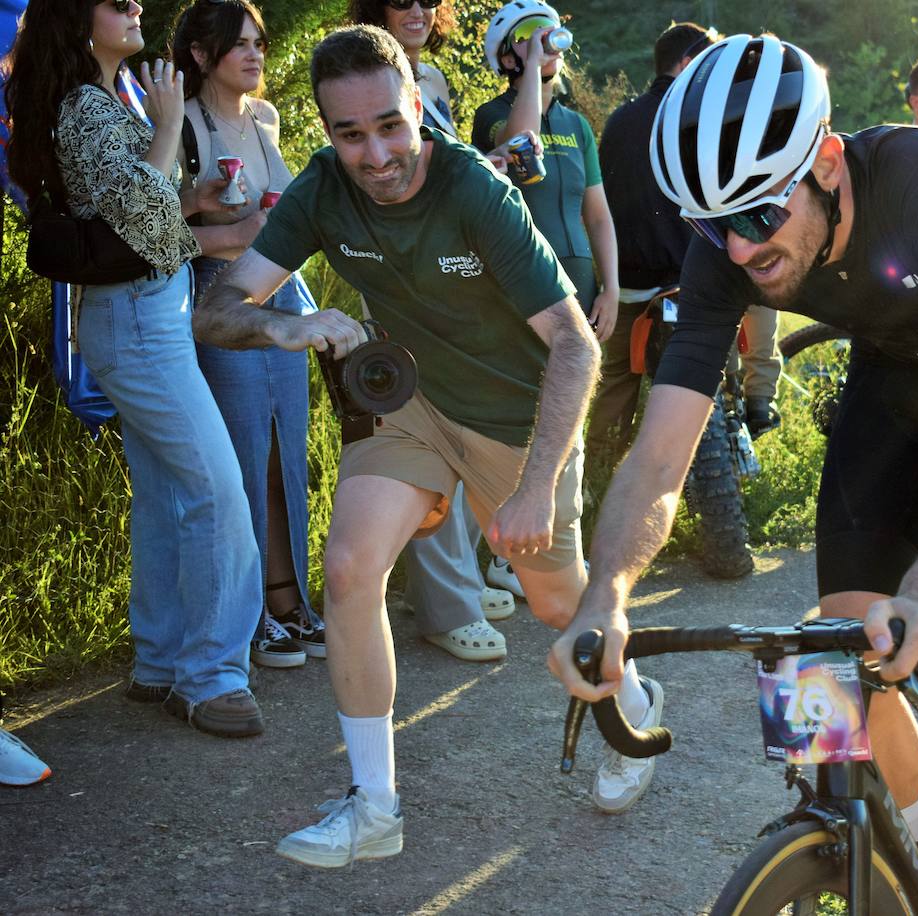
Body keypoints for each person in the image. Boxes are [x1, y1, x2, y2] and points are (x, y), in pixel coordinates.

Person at [550, 34, 918, 915]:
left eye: (761, 216)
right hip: (897, 360)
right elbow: (659, 457)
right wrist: (604, 594)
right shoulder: (728, 245)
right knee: (826, 651)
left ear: (830, 164)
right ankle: (905, 868)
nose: (737, 249)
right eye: (710, 226)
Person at [193, 25, 662, 865]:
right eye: (349, 134)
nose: (374, 154)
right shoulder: (321, 192)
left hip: (518, 421)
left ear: (419, 107)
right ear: (327, 132)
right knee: (348, 567)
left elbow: (575, 345)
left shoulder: (473, 188)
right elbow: (217, 309)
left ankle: (631, 693)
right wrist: (287, 322)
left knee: (560, 609)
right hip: (412, 404)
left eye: (389, 126)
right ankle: (375, 808)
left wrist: (530, 488)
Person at [5, 0, 264, 737]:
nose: (137, 6)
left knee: (163, 492)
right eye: (119, 1)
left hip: (140, 315)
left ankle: (160, 660)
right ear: (76, 20)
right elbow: (142, 226)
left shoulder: (97, 99)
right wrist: (171, 127)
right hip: (139, 320)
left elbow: (133, 210)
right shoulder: (90, 105)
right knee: (216, 491)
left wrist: (190, 196)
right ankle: (211, 677)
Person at [346, 0, 517, 664]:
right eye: (399, 0)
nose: (415, 10)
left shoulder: (434, 82)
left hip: (453, 275)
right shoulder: (357, 80)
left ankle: (455, 585)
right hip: (400, 270)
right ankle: (448, 607)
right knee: (427, 431)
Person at [170, 0, 329, 671]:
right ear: (202, 55)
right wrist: (222, 226)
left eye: (259, 42)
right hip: (219, 300)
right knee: (239, 457)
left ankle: (289, 598)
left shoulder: (266, 118)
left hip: (284, 295)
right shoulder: (176, 125)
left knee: (285, 455)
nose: (256, 54)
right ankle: (249, 616)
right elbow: (151, 236)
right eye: (239, 45)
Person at [473, 1, 619, 590]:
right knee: (525, 404)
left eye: (553, 41)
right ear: (509, 55)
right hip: (523, 279)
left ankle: (561, 546)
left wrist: (612, 286)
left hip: (580, 275)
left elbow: (599, 213)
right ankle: (505, 552)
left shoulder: (580, 126)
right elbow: (519, 147)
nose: (550, 47)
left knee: (571, 406)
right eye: (532, 41)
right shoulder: (491, 116)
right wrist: (533, 67)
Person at [587, 22, 715, 466]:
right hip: (687, 284)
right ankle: (719, 457)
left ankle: (600, 476)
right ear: (685, 64)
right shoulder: (699, 119)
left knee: (615, 384)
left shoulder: (621, 120)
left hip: (625, 287)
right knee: (702, 387)